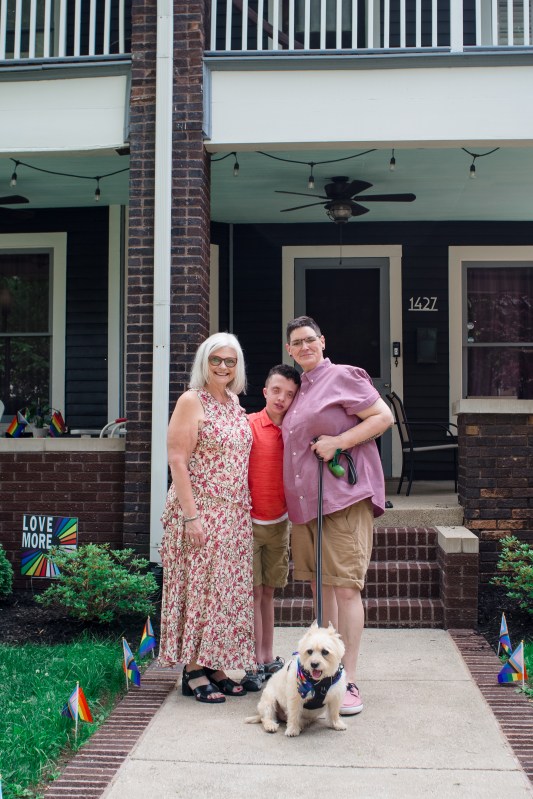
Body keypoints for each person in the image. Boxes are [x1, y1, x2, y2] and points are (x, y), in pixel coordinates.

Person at [283, 315, 394, 716]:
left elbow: (383, 417)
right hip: (308, 506)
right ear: (289, 350)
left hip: (343, 499)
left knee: (346, 588)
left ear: (323, 341)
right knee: (322, 589)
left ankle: (347, 680)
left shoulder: (344, 376)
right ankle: (323, 677)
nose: (304, 346)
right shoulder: (300, 389)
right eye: (297, 342)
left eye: (310, 339)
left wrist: (339, 442)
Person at [159, 332, 256, 704]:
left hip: (234, 514)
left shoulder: (233, 402)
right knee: (200, 591)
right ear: (204, 362)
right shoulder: (191, 400)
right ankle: (193, 671)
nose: (223, 366)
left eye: (230, 361)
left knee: (224, 594)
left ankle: (214, 665)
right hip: (200, 510)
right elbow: (177, 460)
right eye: (216, 359)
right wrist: (191, 517)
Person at [242, 364, 301, 692]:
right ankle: (252, 661)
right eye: (276, 391)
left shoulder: (293, 432)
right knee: (252, 592)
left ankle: (267, 657)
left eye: (290, 394)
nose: (282, 398)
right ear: (265, 391)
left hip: (279, 523)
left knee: (268, 592)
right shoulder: (249, 425)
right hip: (249, 523)